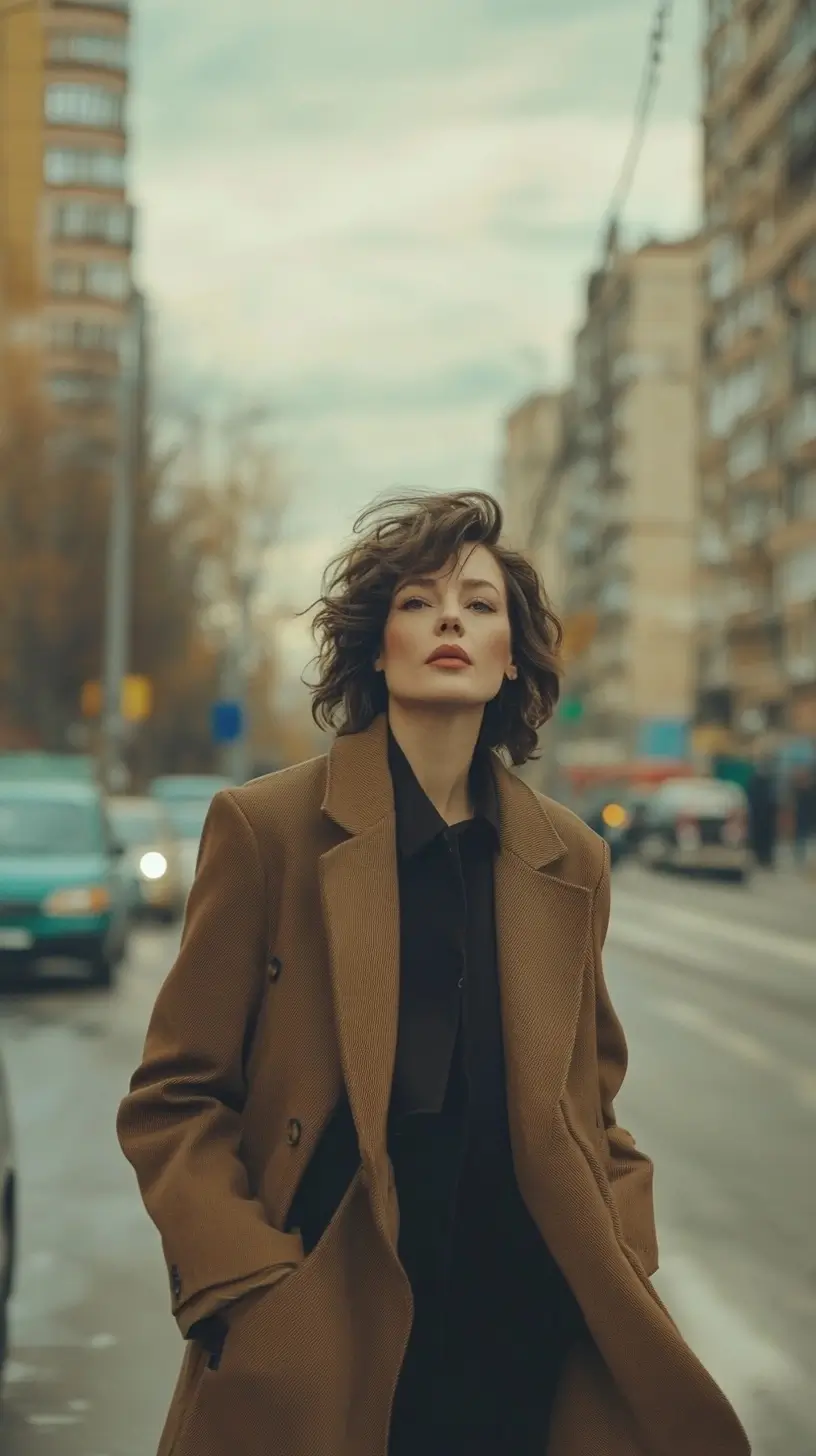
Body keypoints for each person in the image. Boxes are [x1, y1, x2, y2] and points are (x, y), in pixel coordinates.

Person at [117, 492, 751, 1456]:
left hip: (523, 1344)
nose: (450, 618)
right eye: (418, 602)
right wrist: (249, 1292)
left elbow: (595, 1109)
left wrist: (618, 1253)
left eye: (479, 604)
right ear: (376, 649)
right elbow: (175, 1096)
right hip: (325, 1337)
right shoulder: (270, 829)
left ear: (511, 658)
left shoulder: (567, 858)